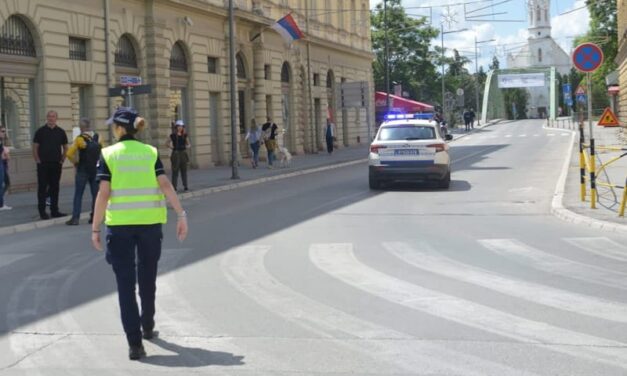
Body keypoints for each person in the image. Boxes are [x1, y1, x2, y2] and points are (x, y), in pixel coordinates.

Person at [91, 107, 188, 360]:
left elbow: (103, 194)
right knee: (147, 277)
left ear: (120, 128)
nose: (113, 128)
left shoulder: (108, 154)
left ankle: (135, 345)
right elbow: (165, 185)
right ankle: (147, 326)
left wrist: (95, 227)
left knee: (125, 284)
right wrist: (181, 214)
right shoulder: (150, 153)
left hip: (120, 227)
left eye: (114, 125)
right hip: (150, 226)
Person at [32, 110, 68, 219]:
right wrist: (37, 160)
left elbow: (66, 147)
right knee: (42, 188)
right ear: (46, 118)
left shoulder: (61, 132)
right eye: (49, 116)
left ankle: (54, 211)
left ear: (56, 118)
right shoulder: (40, 131)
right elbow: (35, 147)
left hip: (56, 164)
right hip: (43, 164)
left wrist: (62, 160)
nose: (51, 118)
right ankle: (42, 212)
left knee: (54, 188)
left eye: (53, 116)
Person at [65, 118, 102, 225]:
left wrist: (75, 162)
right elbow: (103, 152)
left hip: (82, 169)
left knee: (78, 194)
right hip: (95, 169)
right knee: (96, 194)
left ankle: (75, 218)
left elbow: (69, 154)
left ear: (81, 128)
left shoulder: (79, 139)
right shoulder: (98, 137)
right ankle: (94, 217)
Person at [167, 120, 190, 191]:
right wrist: (172, 147)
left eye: (182, 126)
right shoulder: (173, 135)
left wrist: (187, 146)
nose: (180, 128)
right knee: (175, 171)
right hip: (176, 154)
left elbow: (189, 144)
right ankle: (174, 187)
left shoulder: (185, 135)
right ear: (176, 127)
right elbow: (167, 143)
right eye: (179, 126)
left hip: (183, 153)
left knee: (184, 170)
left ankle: (185, 186)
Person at [0, 126, 10, 211]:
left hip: (3, 164)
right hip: (1, 164)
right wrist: (4, 155)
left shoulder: (2, 141)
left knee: (6, 183)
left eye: (4, 131)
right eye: (2, 131)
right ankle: (1, 204)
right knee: (1, 184)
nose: (4, 133)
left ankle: (1, 203)